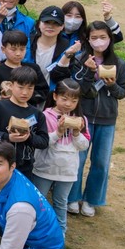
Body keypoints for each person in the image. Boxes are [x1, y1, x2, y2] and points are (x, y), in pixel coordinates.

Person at [53, 21, 125, 217]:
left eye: (103, 37)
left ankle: (92, 200)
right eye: (94, 38)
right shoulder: (79, 60)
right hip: (83, 116)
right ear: (87, 39)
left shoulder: (119, 64)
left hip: (107, 118)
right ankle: (73, 197)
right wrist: (88, 72)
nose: (98, 41)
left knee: (101, 162)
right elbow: (78, 91)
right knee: (78, 158)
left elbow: (121, 93)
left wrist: (111, 85)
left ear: (110, 39)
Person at [31, 79, 89, 235]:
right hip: (45, 167)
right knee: (40, 200)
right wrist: (58, 132)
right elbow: (42, 142)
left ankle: (60, 233)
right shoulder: (45, 116)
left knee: (61, 202)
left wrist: (76, 133)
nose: (68, 104)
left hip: (67, 170)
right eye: (64, 99)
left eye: (74, 100)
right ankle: (37, 231)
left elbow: (83, 146)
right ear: (55, 96)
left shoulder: (81, 119)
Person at [0, 66, 49, 179]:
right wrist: (7, 137)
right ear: (11, 85)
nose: (25, 92)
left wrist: (29, 137)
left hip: (24, 168)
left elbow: (44, 142)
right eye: (20, 87)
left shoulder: (37, 114)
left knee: (19, 196)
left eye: (30, 88)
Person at [0, 30, 49, 110]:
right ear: (3, 49)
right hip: (5, 111)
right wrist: (0, 97)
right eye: (13, 49)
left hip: (28, 110)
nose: (18, 53)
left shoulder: (34, 69)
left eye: (22, 49)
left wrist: (26, 95)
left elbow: (43, 91)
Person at [26, 6, 71, 89]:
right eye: (47, 22)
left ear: (62, 26)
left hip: (53, 97)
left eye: (56, 23)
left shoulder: (67, 49)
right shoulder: (26, 44)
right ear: (39, 23)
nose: (50, 26)